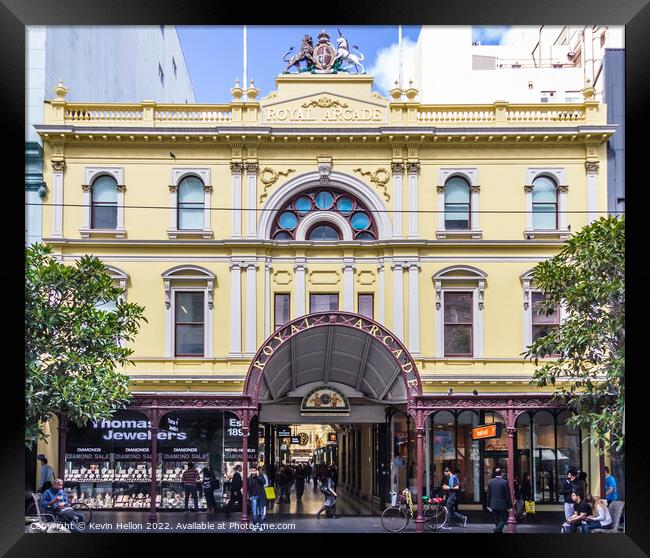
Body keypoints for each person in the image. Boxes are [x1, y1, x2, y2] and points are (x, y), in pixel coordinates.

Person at [487, 468, 513, 533]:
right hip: (502, 505)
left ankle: (498, 530)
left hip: (493, 504)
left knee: (496, 519)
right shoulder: (504, 482)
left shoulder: (490, 482)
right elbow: (507, 495)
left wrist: (488, 505)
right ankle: (497, 529)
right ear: (501, 473)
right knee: (504, 519)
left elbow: (488, 494)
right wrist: (510, 506)